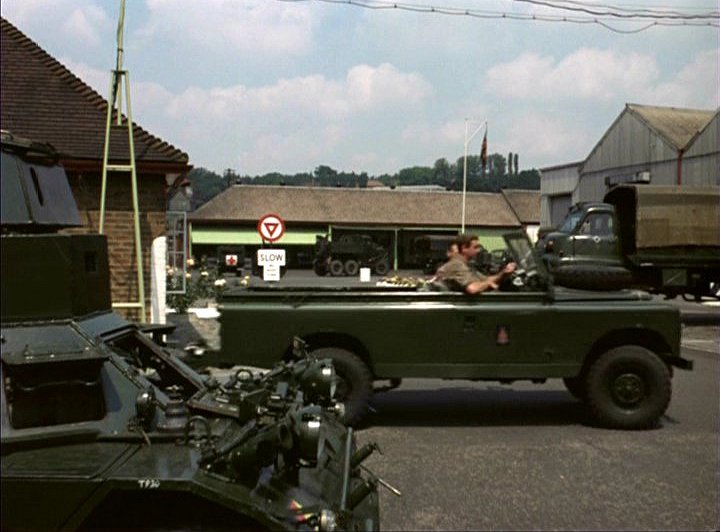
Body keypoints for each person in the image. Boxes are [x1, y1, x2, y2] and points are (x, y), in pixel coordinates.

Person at [442, 233, 516, 294]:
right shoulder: (456, 265)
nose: (478, 251)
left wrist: (503, 273)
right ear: (464, 248)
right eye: (475, 247)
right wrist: (488, 283)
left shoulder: (466, 265)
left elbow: (486, 279)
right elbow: (473, 288)